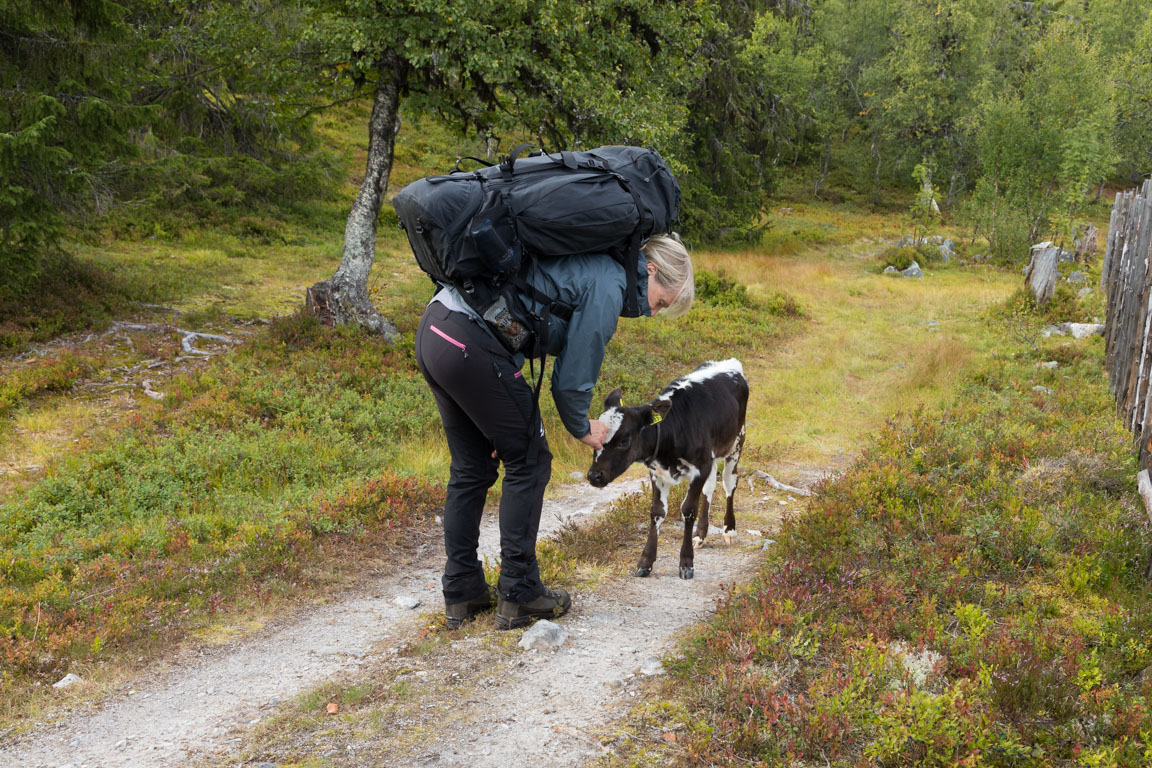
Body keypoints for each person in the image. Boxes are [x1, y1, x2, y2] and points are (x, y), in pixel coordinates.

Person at [414, 234, 695, 629]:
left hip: (437, 328)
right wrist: (583, 427)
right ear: (651, 270)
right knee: (530, 459)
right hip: (467, 343)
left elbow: (514, 315)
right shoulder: (609, 284)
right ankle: (520, 593)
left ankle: (462, 591)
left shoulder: (591, 262)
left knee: (472, 467)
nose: (652, 312)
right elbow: (572, 377)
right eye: (661, 301)